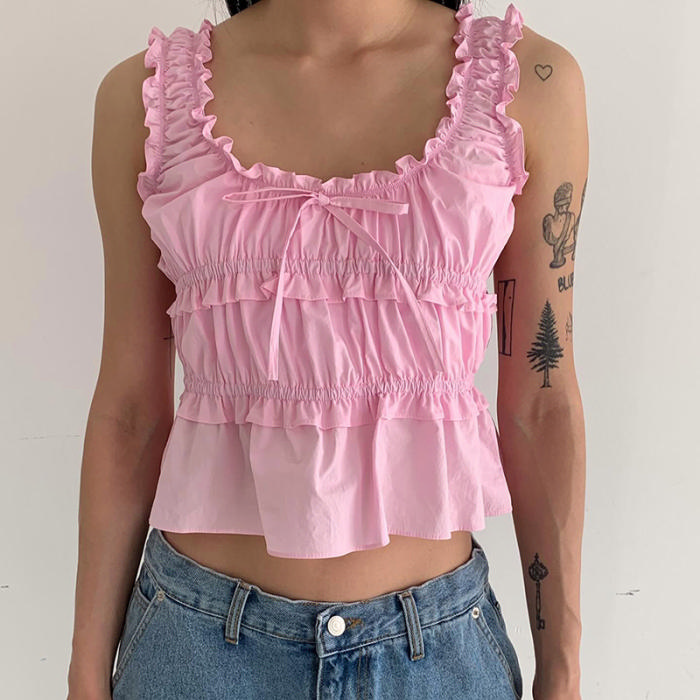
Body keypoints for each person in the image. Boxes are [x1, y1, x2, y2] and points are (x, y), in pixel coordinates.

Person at [67, 0, 587, 698]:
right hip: (195, 651)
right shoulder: (146, 99)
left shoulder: (529, 84)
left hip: (435, 660)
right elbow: (130, 411)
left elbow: (542, 406)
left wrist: (563, 670)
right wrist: (85, 671)